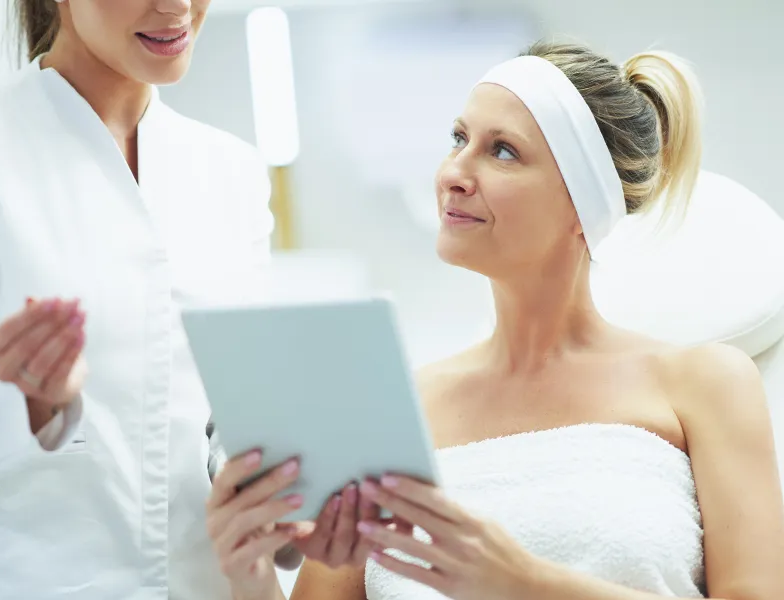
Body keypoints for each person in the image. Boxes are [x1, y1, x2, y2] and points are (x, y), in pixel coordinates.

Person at [205, 40, 784, 600]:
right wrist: (250, 575)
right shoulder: (395, 406)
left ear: (585, 205)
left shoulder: (704, 384)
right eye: (459, 138)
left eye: (502, 150)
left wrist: (523, 585)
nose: (454, 171)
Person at [0, 0, 287, 598]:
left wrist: (269, 475)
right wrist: (37, 407)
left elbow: (240, 409)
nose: (176, 7)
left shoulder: (232, 171)